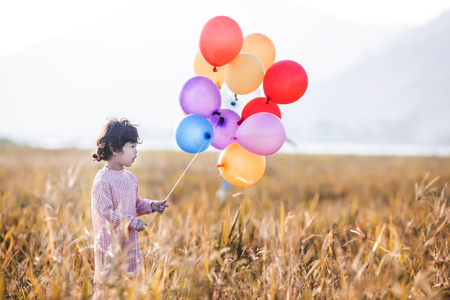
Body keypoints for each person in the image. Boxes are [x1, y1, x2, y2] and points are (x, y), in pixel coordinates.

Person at [90, 118, 169, 286]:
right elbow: (107, 214)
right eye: (132, 146)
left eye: (136, 146)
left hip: (129, 244)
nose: (136, 151)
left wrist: (152, 206)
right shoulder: (102, 181)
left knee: (131, 285)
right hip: (110, 247)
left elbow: (136, 204)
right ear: (114, 149)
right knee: (110, 287)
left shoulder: (130, 178)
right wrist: (133, 222)